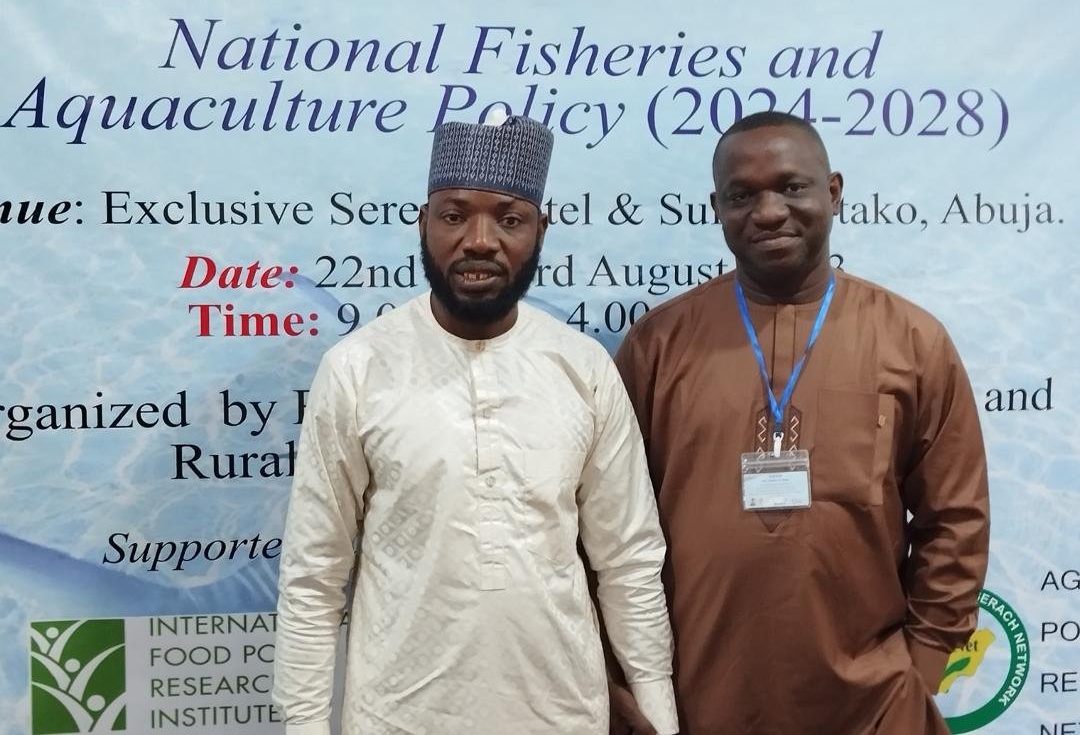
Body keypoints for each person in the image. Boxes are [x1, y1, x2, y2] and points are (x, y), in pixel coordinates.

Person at [273, 109, 678, 735]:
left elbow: (628, 558)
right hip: (398, 718)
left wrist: (658, 711)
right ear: (423, 223)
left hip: (562, 715)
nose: (481, 240)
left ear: (540, 230)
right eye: (455, 215)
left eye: (509, 219)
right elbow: (313, 575)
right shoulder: (359, 368)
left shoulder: (582, 368)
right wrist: (303, 726)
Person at [613, 111, 990, 734]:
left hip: (873, 704)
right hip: (696, 696)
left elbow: (955, 520)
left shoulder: (911, 341)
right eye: (742, 195)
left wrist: (921, 668)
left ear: (833, 192)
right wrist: (624, 678)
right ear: (716, 208)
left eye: (791, 187)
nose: (767, 212)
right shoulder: (660, 345)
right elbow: (608, 528)